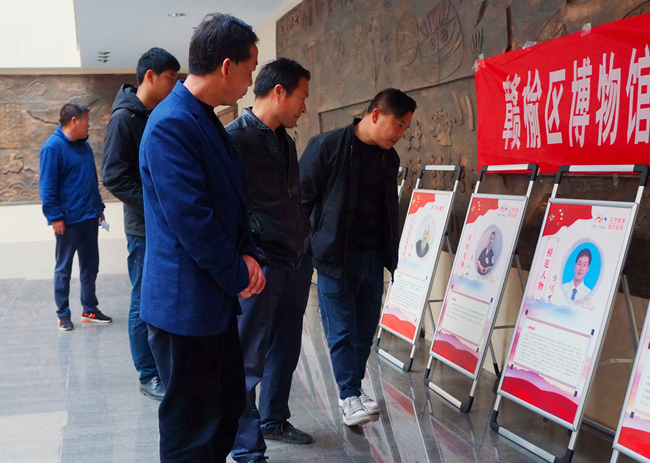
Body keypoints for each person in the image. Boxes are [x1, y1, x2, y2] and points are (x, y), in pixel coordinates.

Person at [139, 14, 265, 462]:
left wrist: (248, 254)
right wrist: (239, 273)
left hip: (210, 301)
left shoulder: (202, 117)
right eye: (250, 68)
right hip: (184, 306)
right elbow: (191, 220)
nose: (251, 81)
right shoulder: (171, 123)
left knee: (224, 412)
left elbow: (232, 200)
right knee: (191, 431)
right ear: (227, 67)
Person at [300, 88, 416, 426]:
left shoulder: (388, 158)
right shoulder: (328, 146)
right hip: (334, 257)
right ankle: (348, 395)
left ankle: (353, 388)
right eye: (399, 124)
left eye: (406, 128)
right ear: (376, 115)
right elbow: (301, 201)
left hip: (372, 256)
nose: (401, 134)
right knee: (341, 329)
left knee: (365, 331)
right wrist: (309, 247)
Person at [226, 58, 313, 463]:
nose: (304, 107)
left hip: (295, 259)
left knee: (285, 347)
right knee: (247, 358)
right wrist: (245, 258)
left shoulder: (285, 140)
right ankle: (246, 447)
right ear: (279, 92)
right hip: (260, 264)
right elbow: (229, 208)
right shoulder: (234, 139)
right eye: (302, 97)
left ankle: (274, 419)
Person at [101, 47, 180, 401]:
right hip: (143, 227)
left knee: (161, 298)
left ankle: (164, 366)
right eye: (170, 78)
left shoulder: (154, 113)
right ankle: (147, 373)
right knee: (142, 300)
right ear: (150, 76)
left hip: (163, 223)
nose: (175, 85)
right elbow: (113, 176)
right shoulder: (125, 118)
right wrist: (154, 205)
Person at [39, 103, 112, 331]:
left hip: (89, 216)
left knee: (90, 267)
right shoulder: (52, 148)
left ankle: (89, 309)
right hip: (67, 221)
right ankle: (62, 314)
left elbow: (91, 181)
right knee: (64, 268)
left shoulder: (84, 146)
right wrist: (55, 217)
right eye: (86, 121)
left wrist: (99, 208)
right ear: (74, 121)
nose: (89, 125)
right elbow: (47, 187)